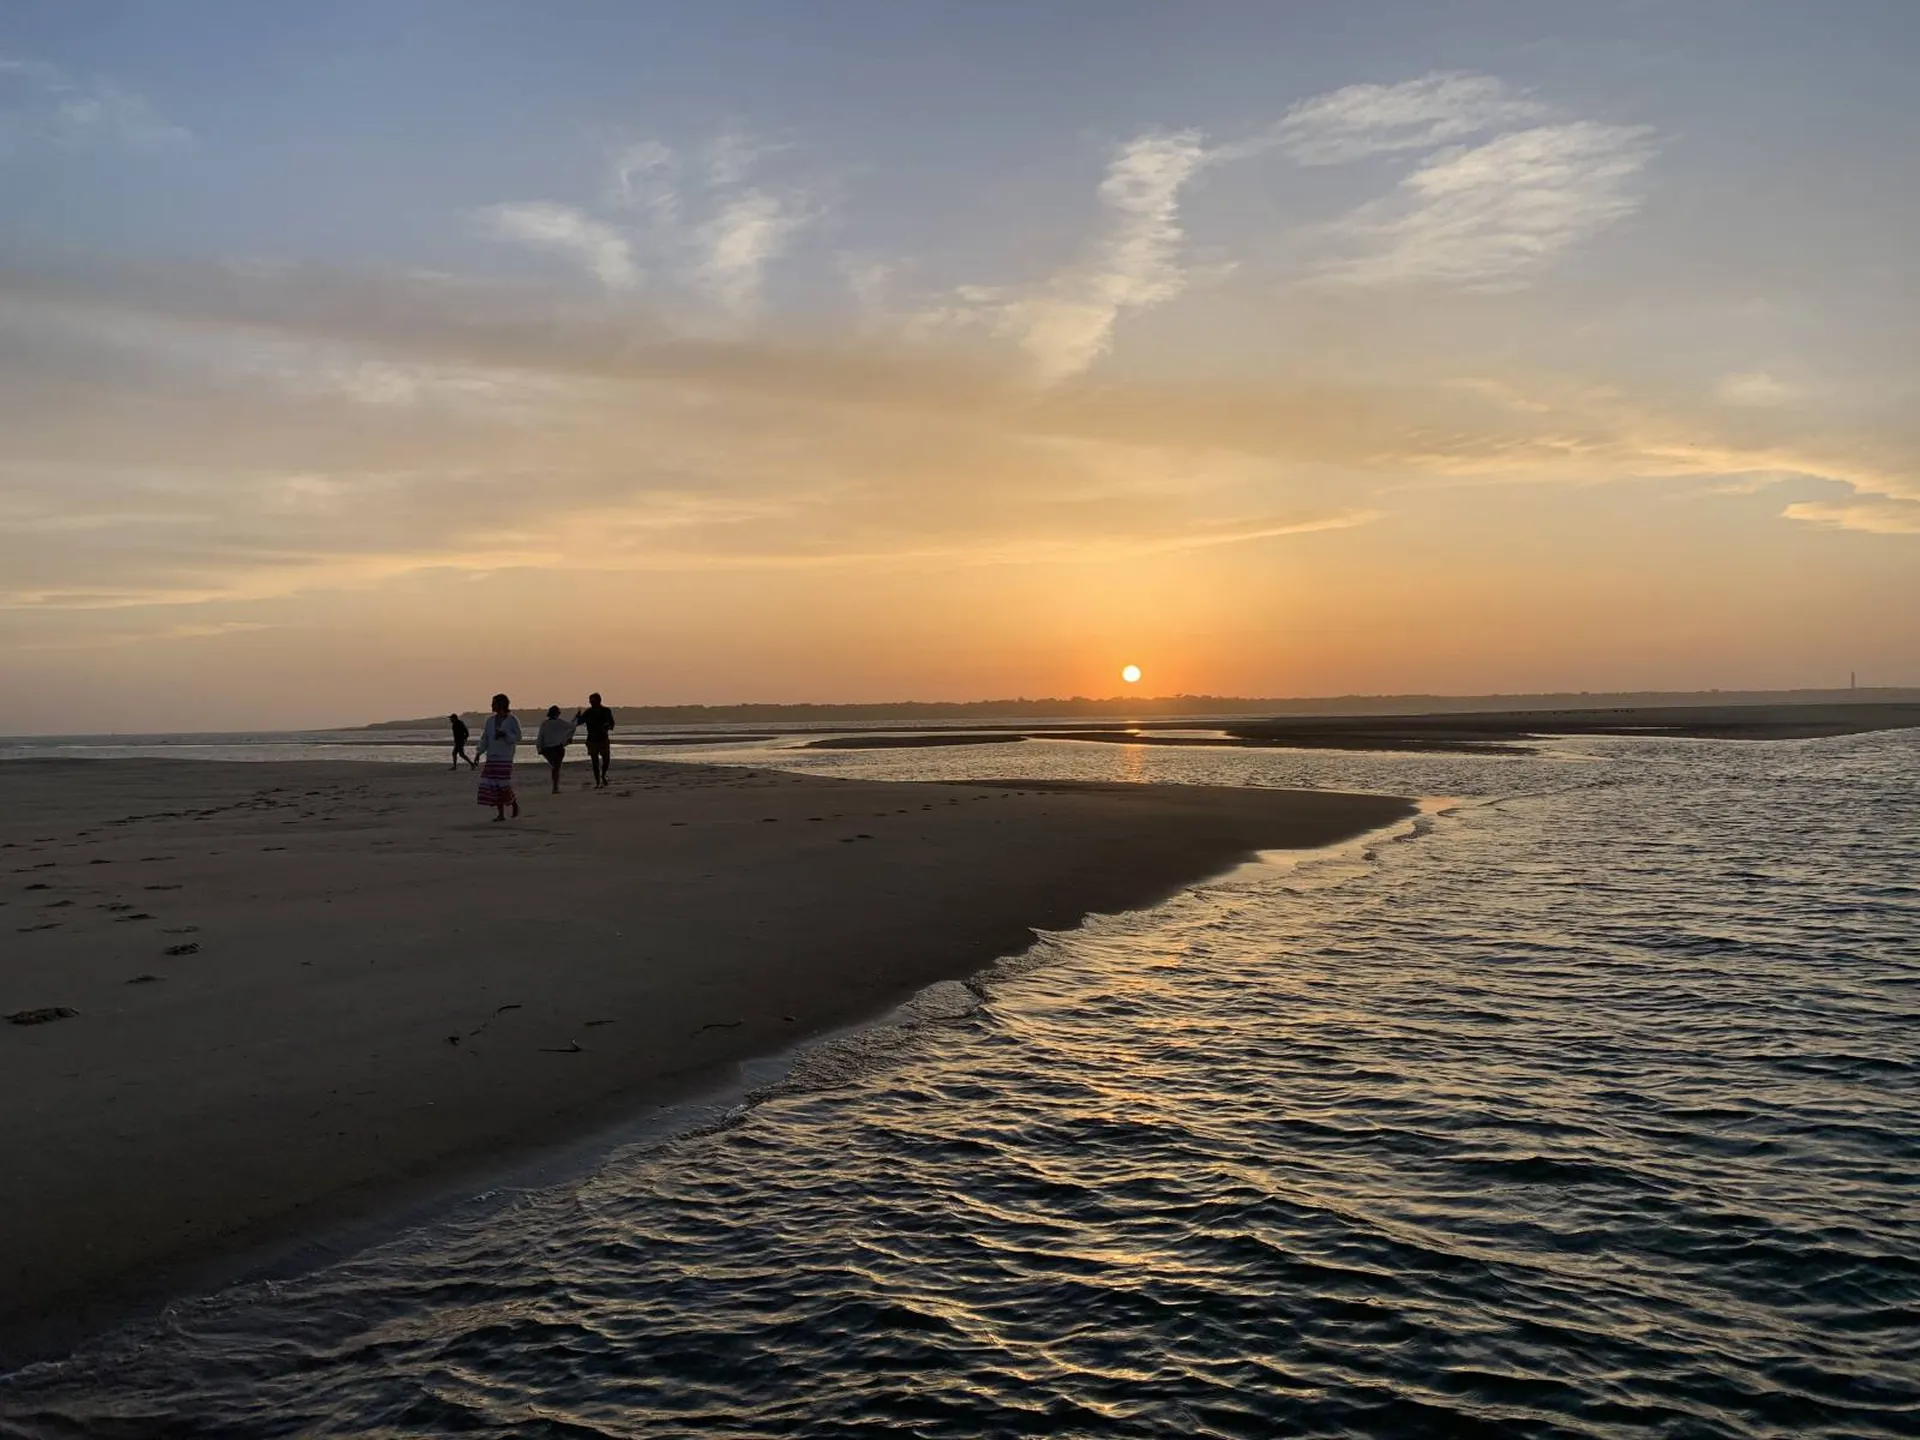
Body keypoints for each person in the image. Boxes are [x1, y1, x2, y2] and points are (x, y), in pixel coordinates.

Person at [476, 693, 521, 821]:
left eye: (494, 703)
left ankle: (513, 803)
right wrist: (479, 752)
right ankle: (501, 814)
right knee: (492, 784)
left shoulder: (512, 720)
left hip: (505, 757)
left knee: (503, 784)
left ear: (500, 704)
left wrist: (505, 734)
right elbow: (485, 738)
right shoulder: (490, 721)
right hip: (492, 756)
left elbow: (518, 737)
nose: (491, 705)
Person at [576, 692, 616, 789]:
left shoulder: (606, 711)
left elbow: (612, 724)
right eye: (590, 700)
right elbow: (579, 722)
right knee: (595, 762)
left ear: (599, 701)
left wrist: (608, 727)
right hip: (592, 740)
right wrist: (578, 716)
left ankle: (603, 776)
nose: (590, 702)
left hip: (603, 739)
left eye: (592, 700)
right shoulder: (588, 712)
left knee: (606, 760)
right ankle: (598, 782)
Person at [535, 704, 577, 795]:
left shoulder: (544, 723)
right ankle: (555, 787)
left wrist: (539, 747)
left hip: (547, 749)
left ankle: (555, 787)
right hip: (557, 748)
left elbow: (540, 736)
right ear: (557, 714)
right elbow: (571, 727)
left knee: (555, 767)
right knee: (556, 768)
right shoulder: (559, 722)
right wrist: (575, 719)